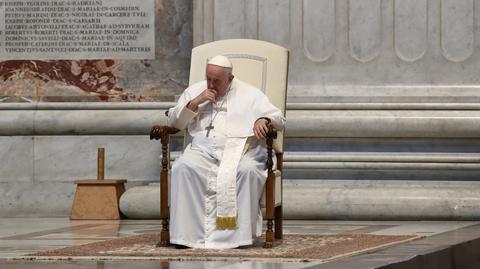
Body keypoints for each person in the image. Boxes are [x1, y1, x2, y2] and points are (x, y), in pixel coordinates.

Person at [167, 55, 285, 249]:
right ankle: (187, 236)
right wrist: (195, 102)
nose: (211, 85)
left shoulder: (250, 94)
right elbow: (174, 122)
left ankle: (237, 238)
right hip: (202, 152)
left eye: (217, 81)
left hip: (241, 151)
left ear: (230, 78)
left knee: (247, 170)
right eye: (209, 79)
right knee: (183, 167)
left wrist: (262, 119)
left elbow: (278, 118)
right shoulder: (195, 91)